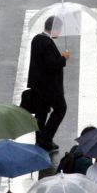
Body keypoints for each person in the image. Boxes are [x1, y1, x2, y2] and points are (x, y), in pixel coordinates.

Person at [27, 16, 69, 152]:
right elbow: (52, 64)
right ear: (54, 29)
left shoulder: (37, 39)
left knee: (41, 113)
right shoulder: (47, 43)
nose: (60, 32)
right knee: (61, 109)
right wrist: (63, 58)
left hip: (38, 85)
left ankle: (41, 139)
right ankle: (46, 138)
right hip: (49, 87)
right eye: (59, 29)